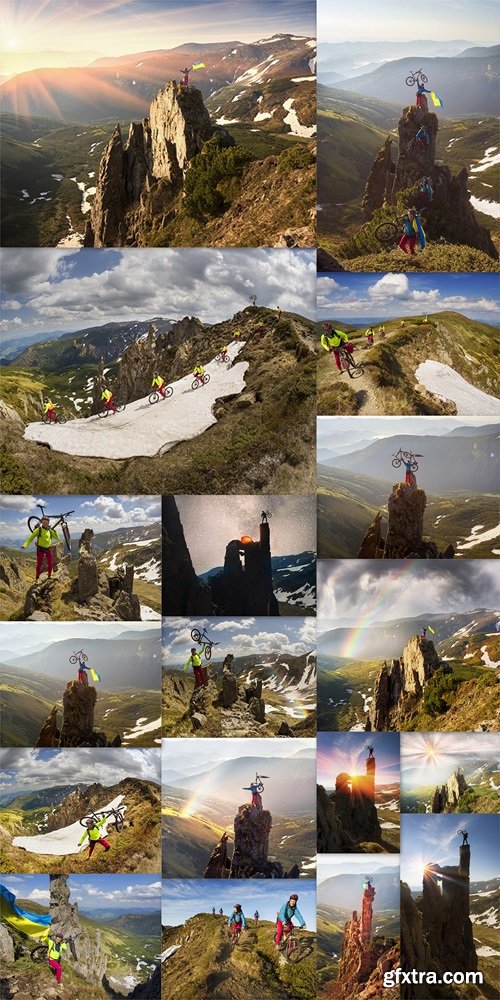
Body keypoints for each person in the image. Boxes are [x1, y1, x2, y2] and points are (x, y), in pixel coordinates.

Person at [23, 516, 59, 580]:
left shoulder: (50, 531)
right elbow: (30, 538)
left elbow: (57, 538)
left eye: (46, 522)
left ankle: (49, 576)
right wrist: (25, 545)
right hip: (40, 549)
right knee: (39, 564)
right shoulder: (38, 530)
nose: (45, 523)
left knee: (50, 563)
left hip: (48, 549)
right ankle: (37, 578)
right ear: (42, 522)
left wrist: (55, 532)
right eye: (44, 522)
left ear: (48, 523)